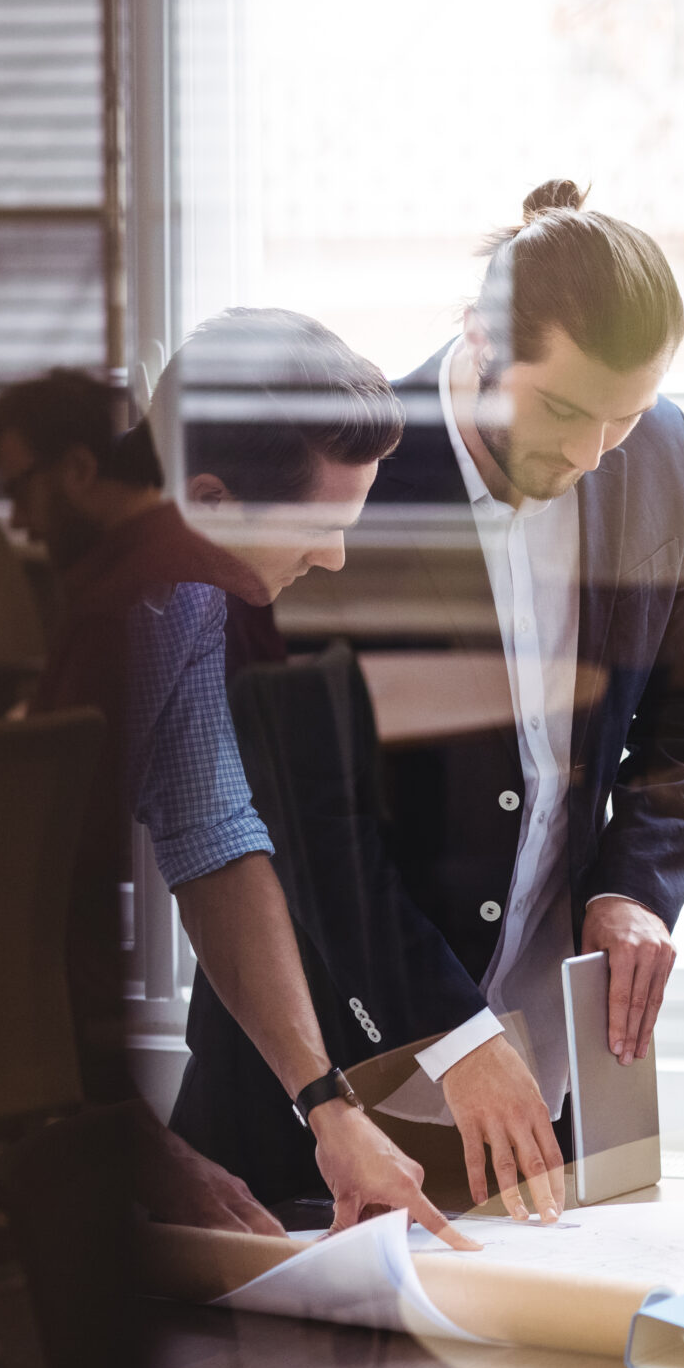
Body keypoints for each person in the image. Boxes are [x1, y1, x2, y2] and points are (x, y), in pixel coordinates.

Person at [344, 178, 684, 1221]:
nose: (590, 453)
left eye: (624, 416)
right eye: (562, 409)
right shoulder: (349, 477)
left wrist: (632, 885)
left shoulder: (657, 454)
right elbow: (311, 830)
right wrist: (451, 1029)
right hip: (353, 1069)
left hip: (552, 1073)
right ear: (478, 334)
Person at [125, 311, 472, 1246]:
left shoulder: (197, 595)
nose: (335, 556)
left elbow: (212, 840)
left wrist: (329, 1106)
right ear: (208, 498)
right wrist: (136, 1150)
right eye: (319, 524)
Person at [0, 367, 285, 1235]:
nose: (16, 519)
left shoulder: (134, 598)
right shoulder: (169, 568)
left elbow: (57, 859)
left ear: (78, 470)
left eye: (19, 486)